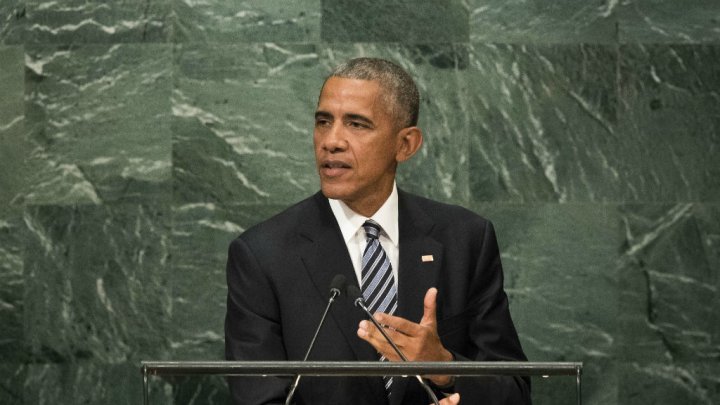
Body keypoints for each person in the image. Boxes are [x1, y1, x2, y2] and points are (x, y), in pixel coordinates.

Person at [225, 57, 531, 405]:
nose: (332, 141)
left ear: (406, 145)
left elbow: (515, 392)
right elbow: (258, 398)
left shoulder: (466, 240)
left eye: (356, 124)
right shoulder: (263, 254)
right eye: (323, 122)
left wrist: (444, 367)